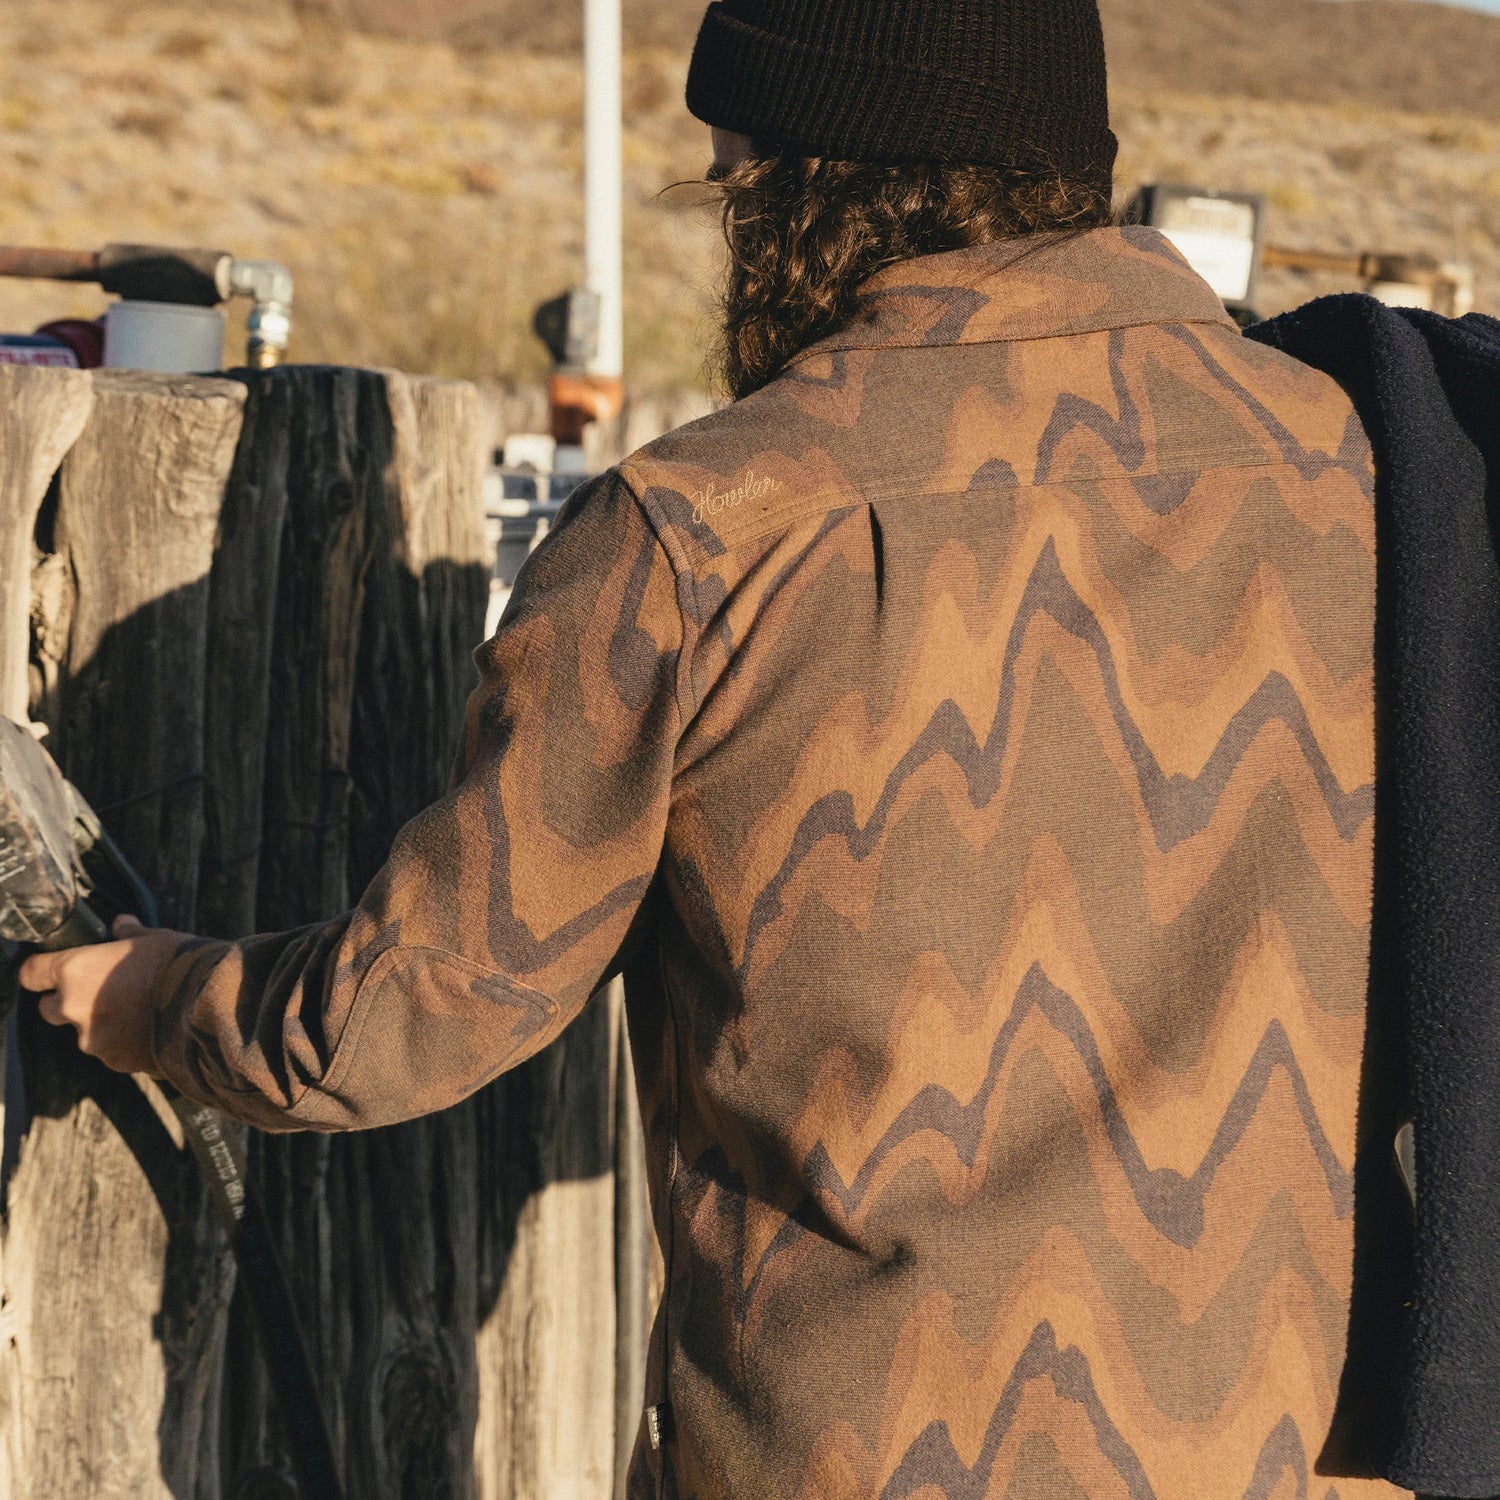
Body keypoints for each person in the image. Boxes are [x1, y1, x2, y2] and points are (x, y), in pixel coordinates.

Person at [21, 2, 1409, 1495]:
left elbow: (414, 1009)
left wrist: (158, 997)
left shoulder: (706, 530)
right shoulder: (1362, 465)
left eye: (729, 178)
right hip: (1287, 1444)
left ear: (796, 189)